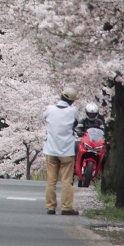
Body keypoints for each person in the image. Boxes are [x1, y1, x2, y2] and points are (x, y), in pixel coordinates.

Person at [43, 87, 79, 215]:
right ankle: (66, 207)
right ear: (73, 101)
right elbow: (76, 124)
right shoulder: (73, 111)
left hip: (51, 150)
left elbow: (45, 119)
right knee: (66, 180)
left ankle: (50, 207)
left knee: (51, 180)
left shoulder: (49, 109)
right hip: (67, 151)